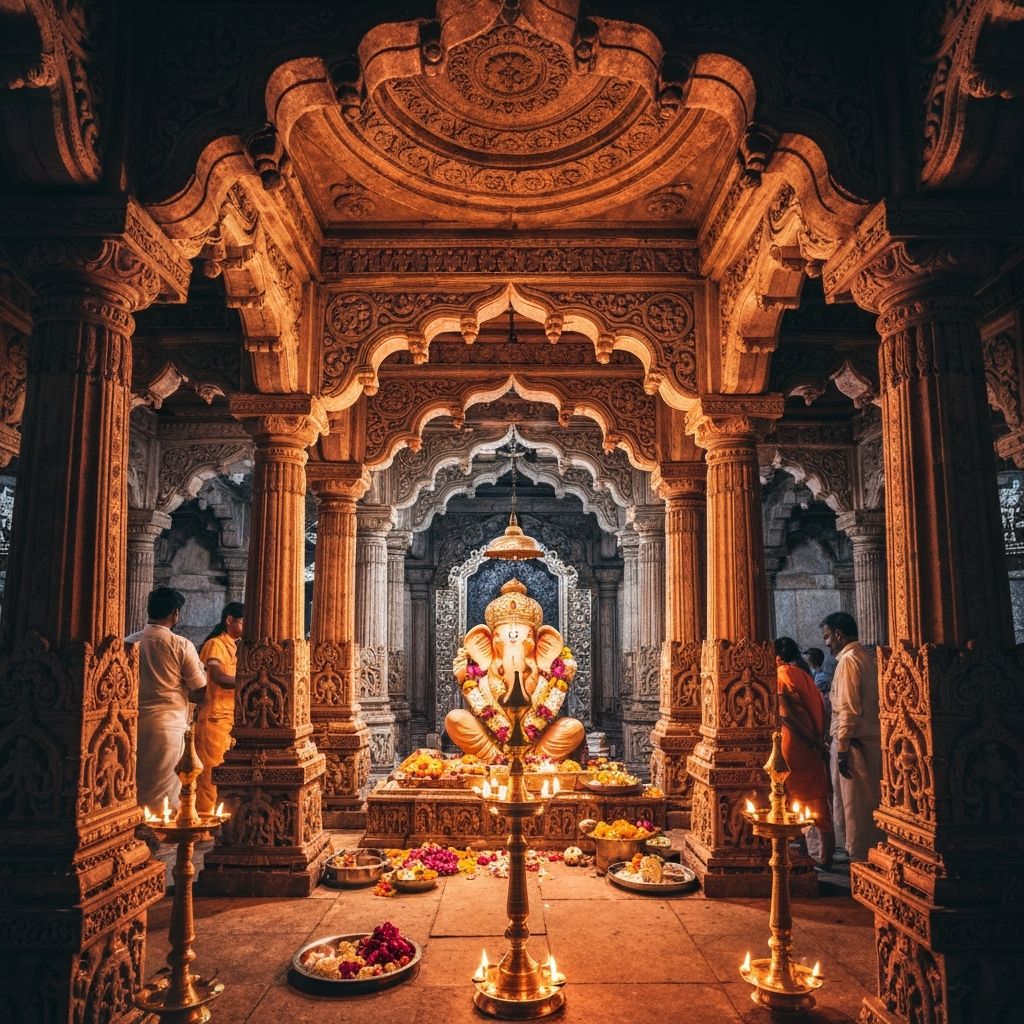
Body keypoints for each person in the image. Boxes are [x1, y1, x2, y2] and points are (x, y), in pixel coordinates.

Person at [128, 587, 207, 815]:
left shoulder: (129, 642)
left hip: (131, 726)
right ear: (175, 614)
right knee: (164, 800)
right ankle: (159, 849)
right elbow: (200, 687)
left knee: (134, 789)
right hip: (168, 726)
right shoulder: (180, 644)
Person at [820, 611, 884, 862]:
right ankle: (868, 854)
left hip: (854, 745)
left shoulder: (848, 661)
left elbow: (847, 708)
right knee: (865, 802)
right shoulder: (866, 657)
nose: (826, 644)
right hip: (868, 741)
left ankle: (860, 857)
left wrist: (843, 748)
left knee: (854, 806)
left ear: (839, 634)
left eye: (827, 637)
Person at [774, 636, 835, 869]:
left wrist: (811, 740)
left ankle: (802, 854)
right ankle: (826, 855)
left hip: (795, 745)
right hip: (812, 744)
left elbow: (786, 715)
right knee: (818, 798)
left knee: (790, 797)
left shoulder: (781, 675)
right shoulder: (805, 674)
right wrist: (819, 739)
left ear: (778, 657)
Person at [193, 602, 244, 814]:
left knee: (227, 775)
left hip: (230, 719)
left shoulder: (237, 646)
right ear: (229, 620)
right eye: (242, 622)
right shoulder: (215, 644)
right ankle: (204, 823)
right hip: (214, 718)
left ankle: (220, 821)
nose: (245, 626)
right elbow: (217, 677)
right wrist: (247, 680)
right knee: (210, 775)